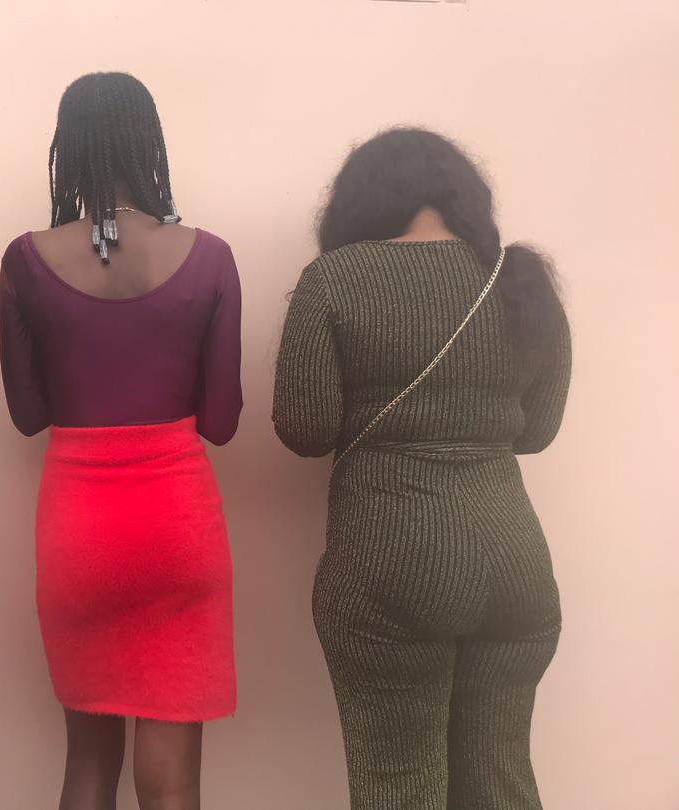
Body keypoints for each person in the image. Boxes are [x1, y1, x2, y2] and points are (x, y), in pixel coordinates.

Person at [273, 127, 571, 810]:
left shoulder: (336, 279)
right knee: (500, 782)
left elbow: (304, 430)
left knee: (399, 785)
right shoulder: (521, 280)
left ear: (359, 201)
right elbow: (538, 433)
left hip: (390, 561)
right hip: (517, 562)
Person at [0, 72, 242, 810]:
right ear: (151, 143)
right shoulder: (210, 256)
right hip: (177, 523)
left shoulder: (25, 259)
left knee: (87, 765)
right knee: (172, 784)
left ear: (67, 150)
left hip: (79, 530)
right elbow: (222, 421)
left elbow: (28, 415)